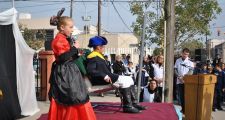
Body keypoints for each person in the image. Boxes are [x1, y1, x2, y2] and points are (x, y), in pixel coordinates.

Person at [48, 15, 96, 120]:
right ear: (62, 27)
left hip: (70, 71)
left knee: (77, 96)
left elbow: (68, 57)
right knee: (72, 97)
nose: (72, 29)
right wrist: (74, 49)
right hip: (65, 74)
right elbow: (61, 58)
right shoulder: (58, 40)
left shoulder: (64, 38)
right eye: (70, 27)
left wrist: (76, 53)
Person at [86, 36, 146, 113]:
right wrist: (104, 75)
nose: (104, 48)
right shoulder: (93, 56)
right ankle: (127, 106)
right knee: (126, 81)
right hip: (102, 79)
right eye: (103, 46)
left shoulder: (98, 55)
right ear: (98, 47)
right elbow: (90, 70)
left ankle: (134, 103)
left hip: (108, 76)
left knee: (130, 79)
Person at [174, 48, 194, 114]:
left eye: (187, 54)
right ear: (182, 53)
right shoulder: (177, 60)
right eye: (184, 54)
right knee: (181, 96)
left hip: (187, 82)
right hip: (179, 81)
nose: (185, 55)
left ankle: (188, 109)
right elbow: (175, 69)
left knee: (188, 96)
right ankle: (183, 109)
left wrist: (184, 77)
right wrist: (179, 77)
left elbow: (191, 71)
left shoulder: (190, 62)